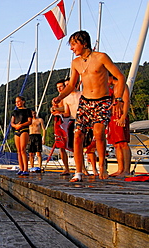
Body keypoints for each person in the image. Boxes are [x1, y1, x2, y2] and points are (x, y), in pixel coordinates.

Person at [53, 30, 125, 182]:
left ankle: (102, 167)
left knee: (98, 133)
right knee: (78, 134)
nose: (71, 48)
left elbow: (120, 77)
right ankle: (78, 172)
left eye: (74, 44)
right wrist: (60, 97)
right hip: (85, 101)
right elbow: (72, 84)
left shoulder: (101, 57)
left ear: (84, 43)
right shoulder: (75, 63)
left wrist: (118, 99)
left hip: (102, 100)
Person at [63, 79, 98, 176]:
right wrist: (58, 113)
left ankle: (95, 169)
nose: (67, 86)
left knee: (89, 147)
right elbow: (67, 113)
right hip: (73, 121)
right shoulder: (66, 98)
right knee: (76, 148)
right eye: (66, 85)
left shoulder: (82, 94)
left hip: (85, 121)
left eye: (69, 84)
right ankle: (82, 169)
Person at [107, 73, 132, 177]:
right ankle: (120, 169)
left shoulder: (122, 86)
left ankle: (126, 170)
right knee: (116, 144)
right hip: (113, 116)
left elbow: (126, 101)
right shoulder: (112, 88)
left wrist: (123, 117)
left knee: (123, 143)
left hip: (120, 115)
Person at [51, 79, 70, 175]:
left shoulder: (68, 97)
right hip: (58, 122)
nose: (59, 89)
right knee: (61, 147)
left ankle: (82, 168)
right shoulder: (56, 99)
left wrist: (57, 109)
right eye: (57, 88)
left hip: (68, 121)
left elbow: (67, 109)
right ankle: (66, 168)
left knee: (74, 146)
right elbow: (54, 111)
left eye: (61, 87)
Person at [11, 96, 33, 176]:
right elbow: (12, 122)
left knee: (23, 149)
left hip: (24, 130)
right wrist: (15, 126)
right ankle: (21, 168)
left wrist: (22, 125)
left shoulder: (27, 111)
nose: (17, 103)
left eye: (18, 101)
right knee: (19, 151)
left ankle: (26, 169)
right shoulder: (14, 112)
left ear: (23, 101)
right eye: (16, 102)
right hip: (17, 130)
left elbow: (29, 121)